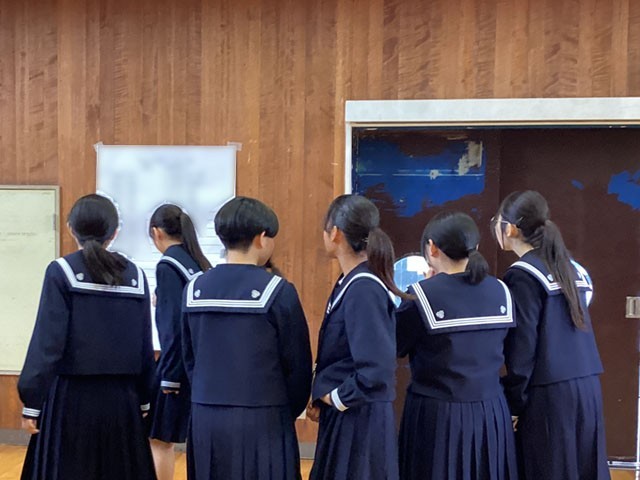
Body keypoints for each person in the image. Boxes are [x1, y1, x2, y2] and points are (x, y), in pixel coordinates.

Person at [18, 194, 156, 480]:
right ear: (114, 233)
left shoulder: (61, 271)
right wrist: (144, 399)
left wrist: (32, 401)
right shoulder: (136, 276)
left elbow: (48, 342)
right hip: (123, 400)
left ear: (71, 228)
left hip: (71, 400)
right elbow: (144, 345)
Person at [182, 196, 312, 480]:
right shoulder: (278, 291)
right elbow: (298, 367)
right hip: (265, 419)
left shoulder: (194, 290)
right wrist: (284, 410)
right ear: (262, 238)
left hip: (205, 417)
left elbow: (189, 358)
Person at [493, 190, 609, 480]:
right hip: (587, 386)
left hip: (551, 393)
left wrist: (515, 402)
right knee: (585, 469)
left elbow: (523, 347)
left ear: (510, 228)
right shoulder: (569, 267)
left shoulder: (522, 273)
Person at [396, 211, 517, 480]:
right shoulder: (501, 290)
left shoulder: (422, 294)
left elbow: (395, 345)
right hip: (491, 411)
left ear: (432, 248)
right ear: (475, 246)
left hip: (437, 414)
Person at [308, 194, 402, 480]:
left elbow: (377, 370)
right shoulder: (349, 281)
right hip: (348, 415)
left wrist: (335, 397)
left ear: (335, 233)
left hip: (361, 421)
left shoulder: (364, 288)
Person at [148, 204, 211, 480]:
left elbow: (172, 328)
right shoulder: (196, 262)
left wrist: (169, 378)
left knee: (159, 440)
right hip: (200, 363)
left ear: (156, 232)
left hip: (178, 367)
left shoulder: (168, 264)